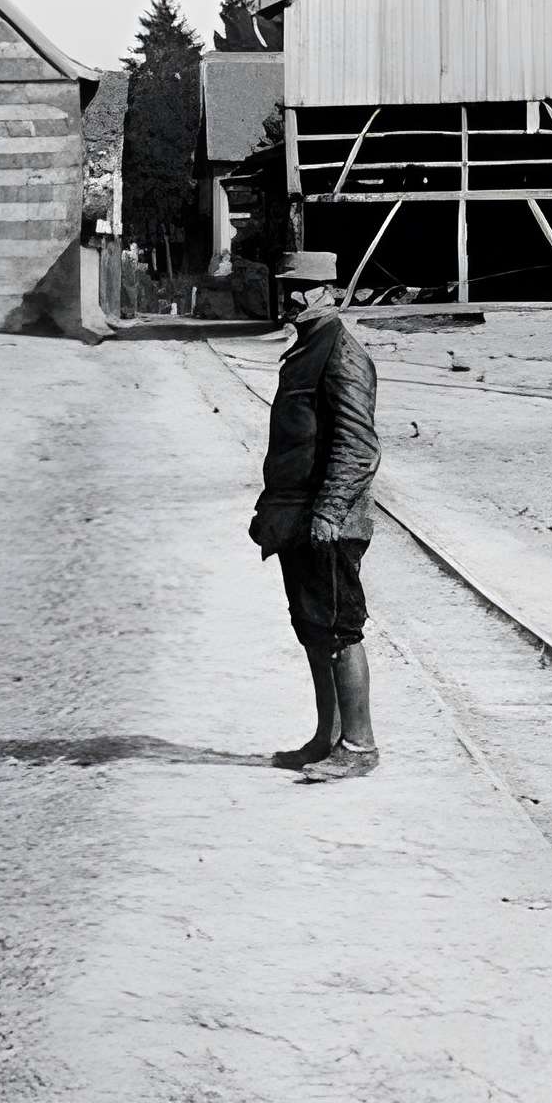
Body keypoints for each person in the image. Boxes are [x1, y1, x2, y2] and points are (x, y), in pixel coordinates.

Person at [247, 249, 383, 779]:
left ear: (325, 292)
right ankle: (326, 740)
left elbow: (358, 445)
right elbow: (293, 442)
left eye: (300, 289)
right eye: (289, 288)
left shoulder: (342, 351)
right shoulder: (306, 347)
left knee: (339, 630)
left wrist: (328, 513)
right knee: (311, 628)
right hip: (298, 517)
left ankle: (359, 747)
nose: (291, 297)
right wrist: (271, 507)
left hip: (331, 521)